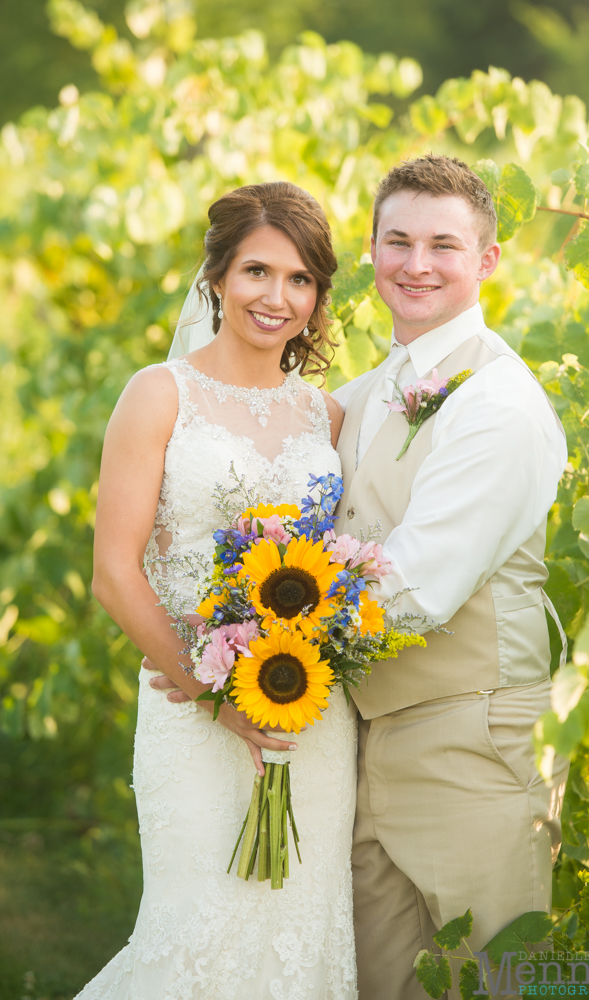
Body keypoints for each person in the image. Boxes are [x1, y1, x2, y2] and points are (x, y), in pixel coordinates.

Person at [80, 181, 358, 1000]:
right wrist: (214, 693)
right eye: (257, 272)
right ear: (216, 277)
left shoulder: (325, 416)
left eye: (300, 279)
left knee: (299, 930)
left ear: (317, 297)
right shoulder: (158, 394)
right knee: (193, 924)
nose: (277, 298)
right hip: (185, 706)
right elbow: (113, 572)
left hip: (305, 713)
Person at [331, 154, 570, 1000]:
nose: (417, 263)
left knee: (494, 982)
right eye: (397, 241)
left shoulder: (497, 404)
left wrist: (258, 632)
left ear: (487, 260)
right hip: (364, 744)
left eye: (443, 243)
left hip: (475, 742)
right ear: (371, 250)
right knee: (379, 985)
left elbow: (416, 586)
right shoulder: (361, 396)